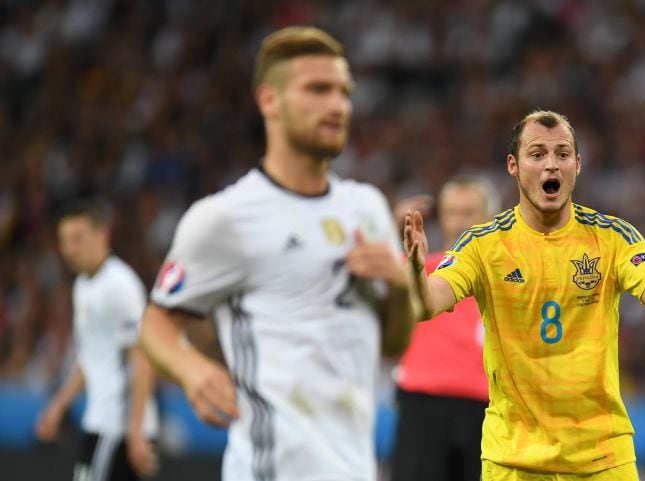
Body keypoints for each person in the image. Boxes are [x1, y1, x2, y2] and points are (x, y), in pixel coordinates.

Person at [138, 26, 418, 481]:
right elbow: (155, 323)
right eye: (318, 90)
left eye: (344, 92)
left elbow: (393, 343)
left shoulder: (366, 208)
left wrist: (402, 290)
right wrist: (192, 370)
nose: (337, 105)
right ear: (270, 100)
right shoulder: (225, 218)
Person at [403, 110, 645, 481]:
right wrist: (414, 269)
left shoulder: (613, 237)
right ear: (513, 165)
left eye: (562, 154)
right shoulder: (483, 244)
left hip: (602, 457)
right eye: (537, 154)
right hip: (514, 458)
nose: (551, 165)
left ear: (578, 164)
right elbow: (426, 303)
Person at [36, 199, 158, 481]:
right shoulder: (83, 285)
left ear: (103, 235)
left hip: (117, 428)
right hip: (101, 421)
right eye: (64, 241)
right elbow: (91, 357)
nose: (69, 249)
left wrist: (136, 431)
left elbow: (142, 358)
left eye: (77, 239)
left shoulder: (120, 286)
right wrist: (59, 406)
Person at [391, 177, 500, 481]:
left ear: (489, 219)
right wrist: (390, 227)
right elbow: (376, 278)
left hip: (487, 408)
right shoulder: (419, 268)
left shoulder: (509, 278)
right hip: (423, 405)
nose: (458, 221)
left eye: (468, 212)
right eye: (451, 212)